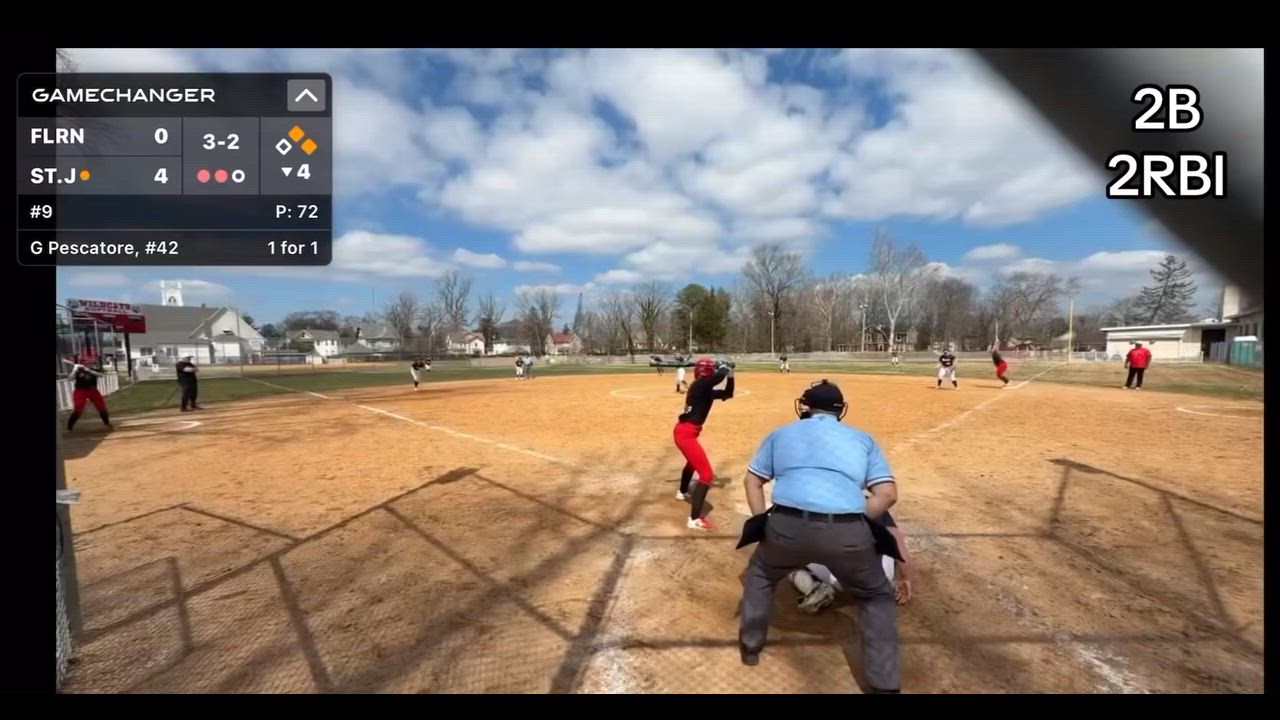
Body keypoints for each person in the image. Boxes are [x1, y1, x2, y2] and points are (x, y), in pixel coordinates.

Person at [737, 379, 900, 692]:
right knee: (875, 595)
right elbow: (888, 494)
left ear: (806, 407)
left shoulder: (781, 433)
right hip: (848, 534)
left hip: (787, 526)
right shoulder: (862, 438)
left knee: (760, 573)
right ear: (840, 410)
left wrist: (761, 522)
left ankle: (751, 646)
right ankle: (885, 683)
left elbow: (752, 481)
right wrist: (853, 517)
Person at [789, 509, 913, 613]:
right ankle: (886, 584)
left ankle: (813, 589)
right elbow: (897, 542)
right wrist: (905, 578)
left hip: (837, 580)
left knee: (791, 554)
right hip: (878, 574)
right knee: (888, 539)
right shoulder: (873, 504)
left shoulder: (813, 504)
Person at [673, 357, 735, 530]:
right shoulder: (699, 385)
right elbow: (718, 377)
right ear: (709, 371)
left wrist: (730, 374)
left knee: (693, 463)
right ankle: (694, 520)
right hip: (686, 434)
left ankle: (682, 492)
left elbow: (728, 393)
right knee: (706, 474)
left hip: (686, 432)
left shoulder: (705, 389)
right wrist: (724, 367)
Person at [63, 357, 113, 432]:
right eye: (88, 363)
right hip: (80, 391)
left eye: (91, 363)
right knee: (78, 408)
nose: (90, 364)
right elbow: (70, 378)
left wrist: (89, 370)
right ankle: (69, 427)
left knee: (101, 407)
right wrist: (75, 370)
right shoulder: (78, 371)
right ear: (83, 363)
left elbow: (101, 375)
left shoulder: (94, 370)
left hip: (93, 390)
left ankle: (107, 423)